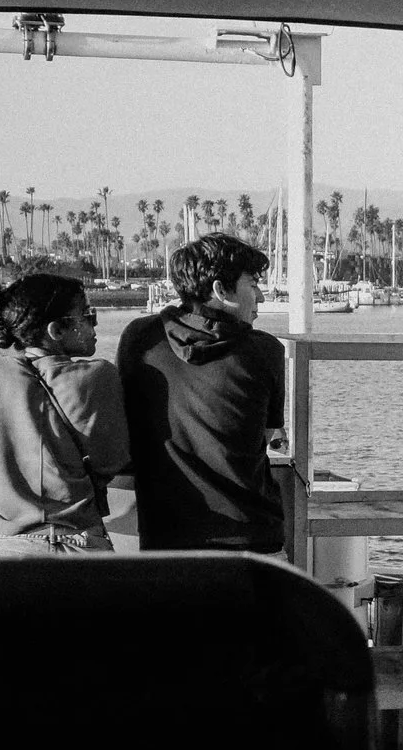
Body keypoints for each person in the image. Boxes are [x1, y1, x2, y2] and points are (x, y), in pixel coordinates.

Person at [117, 234, 288, 555]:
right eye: (253, 284)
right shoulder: (264, 350)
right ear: (221, 291)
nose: (261, 297)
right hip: (251, 537)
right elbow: (261, 437)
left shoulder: (140, 337)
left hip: (165, 538)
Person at [0, 273, 129, 554]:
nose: (94, 324)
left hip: (6, 547)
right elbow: (113, 460)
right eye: (87, 316)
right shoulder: (99, 377)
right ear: (56, 331)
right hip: (79, 541)